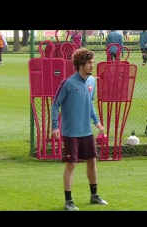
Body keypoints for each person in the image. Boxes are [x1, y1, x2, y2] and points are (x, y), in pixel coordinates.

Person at [51, 48, 108, 211]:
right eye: (89, 62)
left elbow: (90, 103)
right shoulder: (68, 83)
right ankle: (68, 201)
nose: (92, 65)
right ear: (80, 64)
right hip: (70, 133)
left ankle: (94, 195)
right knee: (71, 165)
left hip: (87, 132)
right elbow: (55, 105)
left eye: (92, 62)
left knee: (92, 162)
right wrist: (55, 126)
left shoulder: (92, 82)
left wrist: (96, 121)